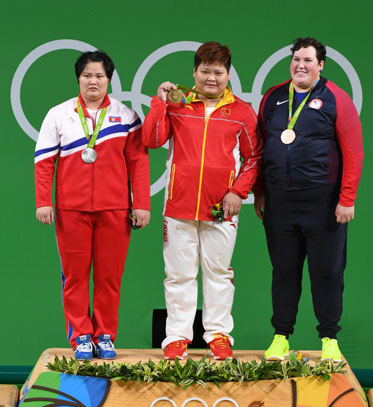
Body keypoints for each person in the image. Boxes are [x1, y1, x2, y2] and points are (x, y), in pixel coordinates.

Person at [142, 41, 262, 360]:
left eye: (218, 72)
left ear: (228, 74)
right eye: (205, 71)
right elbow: (151, 140)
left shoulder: (242, 112)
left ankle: (219, 334)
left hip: (221, 208)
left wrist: (238, 191)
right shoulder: (178, 104)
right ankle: (177, 336)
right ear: (194, 72)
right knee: (179, 274)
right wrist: (159, 102)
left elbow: (254, 157)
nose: (211, 78)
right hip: (178, 206)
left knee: (218, 272)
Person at [35, 50, 150, 360]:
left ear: (109, 79)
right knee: (74, 277)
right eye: (87, 75)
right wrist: (43, 202)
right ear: (78, 78)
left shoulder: (126, 115)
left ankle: (106, 336)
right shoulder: (59, 114)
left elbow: (138, 161)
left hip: (114, 209)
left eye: (99, 75)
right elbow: (44, 162)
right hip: (70, 209)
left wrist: (141, 204)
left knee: (109, 277)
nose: (93, 81)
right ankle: (81, 336)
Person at [254, 37, 363, 362]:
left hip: (324, 205)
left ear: (321, 65)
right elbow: (261, 150)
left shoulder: (336, 99)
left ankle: (329, 338)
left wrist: (347, 198)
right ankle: (281, 336)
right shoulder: (272, 98)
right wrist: (260, 191)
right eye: (297, 59)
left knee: (327, 271)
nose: (301, 65)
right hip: (280, 205)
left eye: (308, 60)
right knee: (283, 270)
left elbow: (353, 152)